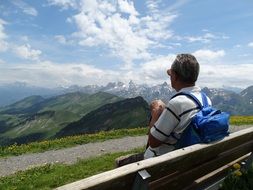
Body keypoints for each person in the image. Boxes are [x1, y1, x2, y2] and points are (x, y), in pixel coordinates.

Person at [144, 53, 212, 159]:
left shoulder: (176, 103)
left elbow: (153, 142)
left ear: (175, 76)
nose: (170, 78)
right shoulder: (206, 99)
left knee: (121, 163)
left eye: (170, 75)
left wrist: (155, 114)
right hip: (193, 159)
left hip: (165, 163)